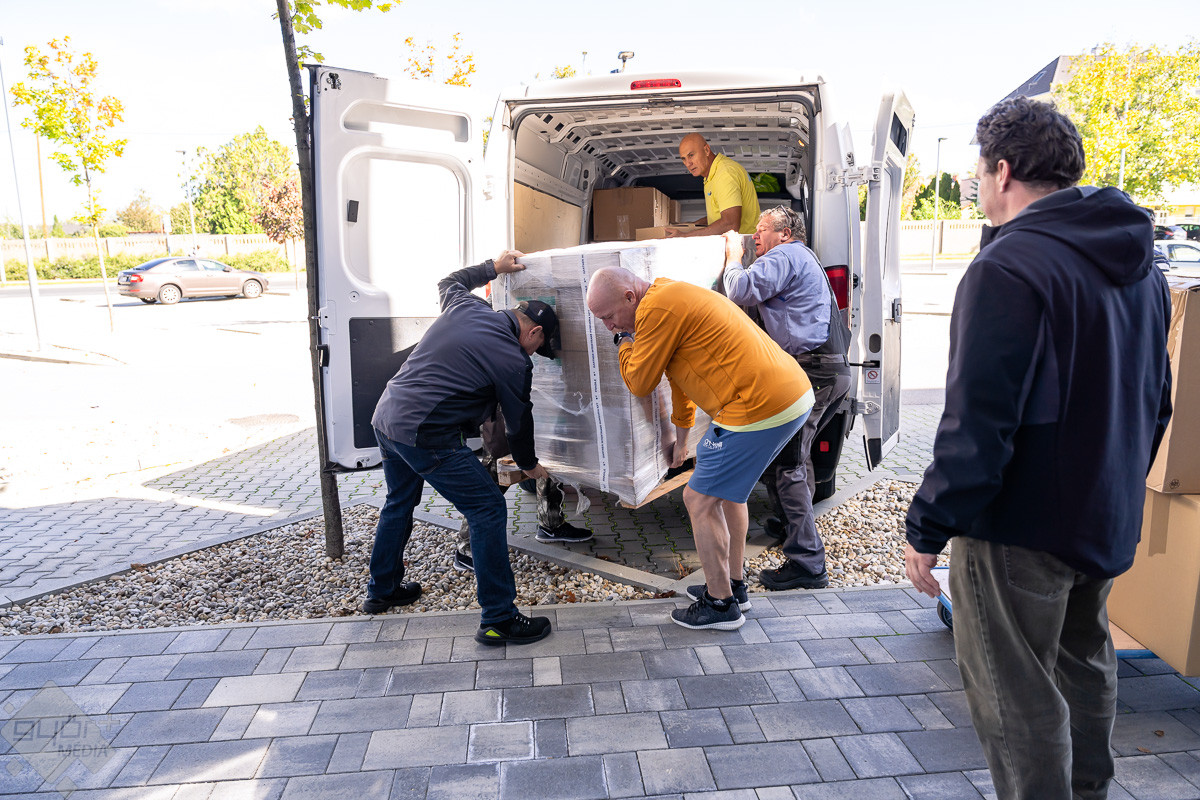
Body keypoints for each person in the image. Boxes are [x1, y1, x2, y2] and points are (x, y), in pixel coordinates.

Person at [904, 97, 1173, 800]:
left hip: (1019, 531)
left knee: (1017, 700)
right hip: (1102, 517)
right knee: (1085, 668)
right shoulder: (1143, 267)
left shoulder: (1007, 267)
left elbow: (977, 425)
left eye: (977, 171)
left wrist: (927, 526)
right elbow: (1157, 401)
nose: (976, 185)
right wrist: (1114, 484)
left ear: (1003, 171)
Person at [585, 258, 813, 630]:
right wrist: (681, 441)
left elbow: (640, 381)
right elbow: (681, 382)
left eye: (609, 317)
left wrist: (623, 343)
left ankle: (720, 605)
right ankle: (734, 587)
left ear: (630, 296)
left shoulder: (656, 309)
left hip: (756, 404)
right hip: (788, 395)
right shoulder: (668, 300)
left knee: (698, 498)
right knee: (729, 495)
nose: (609, 326)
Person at [365, 250, 560, 646]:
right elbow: (519, 420)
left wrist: (493, 268)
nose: (533, 355)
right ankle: (498, 619)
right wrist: (529, 465)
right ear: (534, 333)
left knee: (399, 501)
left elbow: (449, 281)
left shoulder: (466, 306)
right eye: (538, 348)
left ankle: (381, 590)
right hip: (425, 434)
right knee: (487, 508)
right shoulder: (513, 358)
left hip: (386, 418)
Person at [722, 206, 852, 590]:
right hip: (826, 370)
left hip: (813, 373)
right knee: (793, 456)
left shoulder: (784, 255)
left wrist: (733, 258)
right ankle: (792, 524)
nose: (754, 236)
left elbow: (740, 289)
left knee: (787, 464)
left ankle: (808, 563)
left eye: (762, 229)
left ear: (784, 233)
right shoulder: (801, 257)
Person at [452, 404, 593, 574]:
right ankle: (466, 549)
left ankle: (551, 523)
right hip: (504, 406)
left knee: (549, 460)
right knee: (497, 469)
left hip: (538, 407)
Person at [665, 133, 760, 238]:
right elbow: (722, 215)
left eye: (691, 155)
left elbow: (730, 225)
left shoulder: (724, 173)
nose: (688, 163)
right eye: (683, 159)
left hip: (743, 246)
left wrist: (685, 236)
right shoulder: (711, 175)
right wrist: (693, 225)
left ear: (706, 150)